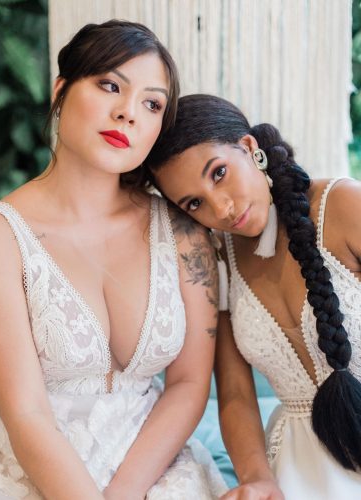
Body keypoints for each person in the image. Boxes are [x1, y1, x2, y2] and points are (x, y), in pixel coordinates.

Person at [0, 25, 228, 499]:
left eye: (152, 104)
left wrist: (125, 491)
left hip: (149, 465)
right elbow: (25, 413)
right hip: (19, 465)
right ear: (61, 91)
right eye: (110, 85)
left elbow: (189, 384)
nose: (128, 112)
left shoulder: (182, 232)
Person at [144, 93, 361, 500]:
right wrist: (257, 479)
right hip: (299, 467)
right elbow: (235, 394)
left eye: (219, 173)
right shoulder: (218, 261)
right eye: (195, 203)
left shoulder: (345, 206)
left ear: (248, 147)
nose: (221, 209)